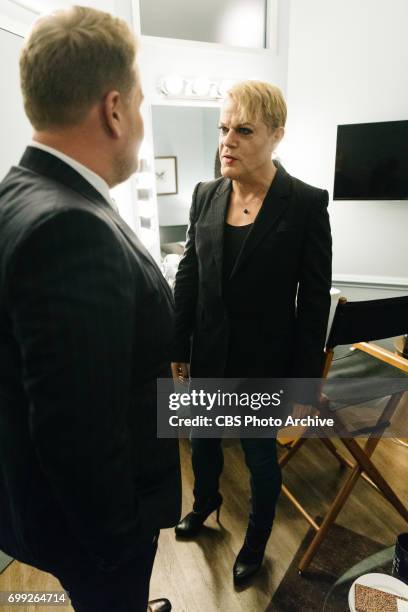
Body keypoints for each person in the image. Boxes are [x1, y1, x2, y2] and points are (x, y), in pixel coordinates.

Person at [0, 7, 180, 612]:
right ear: (114, 109)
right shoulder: (71, 227)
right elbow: (77, 429)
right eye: (140, 104)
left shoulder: (18, 193)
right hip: (99, 540)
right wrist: (118, 548)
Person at [171, 81, 332, 584]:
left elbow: (313, 304)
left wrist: (305, 384)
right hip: (208, 355)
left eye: (243, 130)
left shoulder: (304, 203)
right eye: (224, 129)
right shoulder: (205, 194)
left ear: (276, 135)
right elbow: (190, 275)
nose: (227, 142)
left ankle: (257, 540)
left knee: (262, 458)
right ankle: (205, 503)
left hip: (265, 364)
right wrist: (178, 348)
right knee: (202, 443)